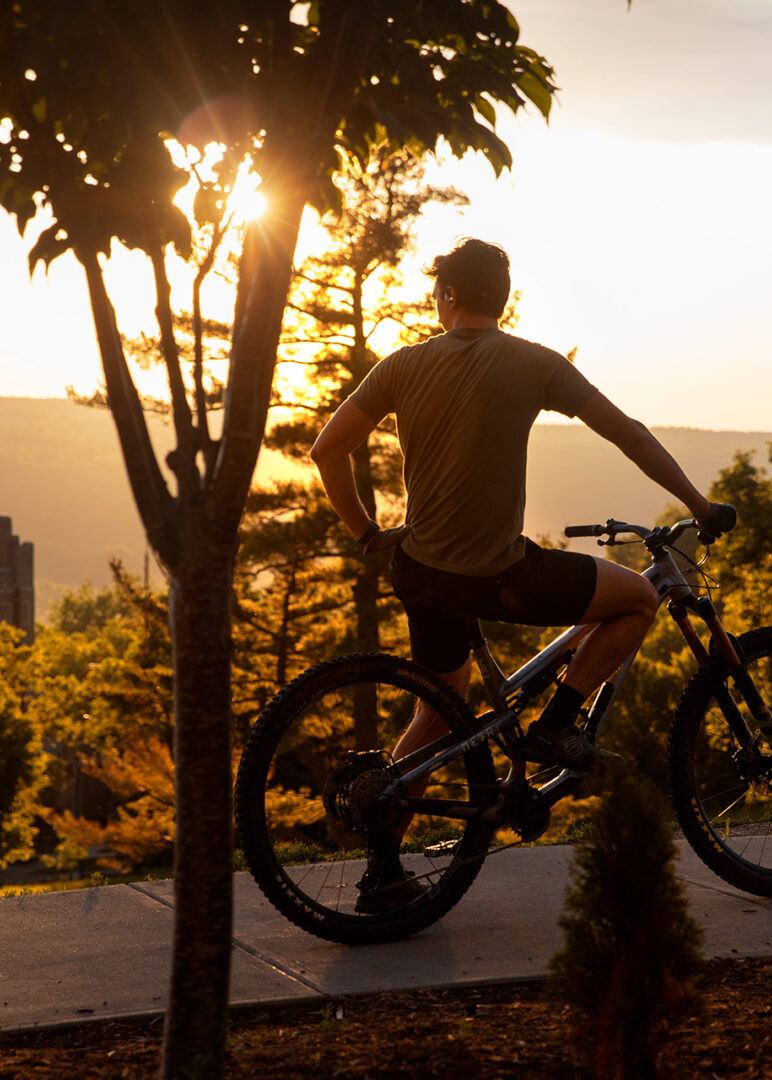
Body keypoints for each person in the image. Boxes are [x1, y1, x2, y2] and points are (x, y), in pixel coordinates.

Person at [310, 238, 733, 911]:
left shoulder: (401, 365)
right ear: (499, 298)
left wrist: (365, 532)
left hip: (420, 570)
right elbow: (628, 433)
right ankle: (557, 724)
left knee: (441, 714)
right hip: (495, 572)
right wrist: (698, 504)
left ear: (446, 295)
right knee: (635, 598)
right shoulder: (533, 363)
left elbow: (326, 451)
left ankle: (382, 870)